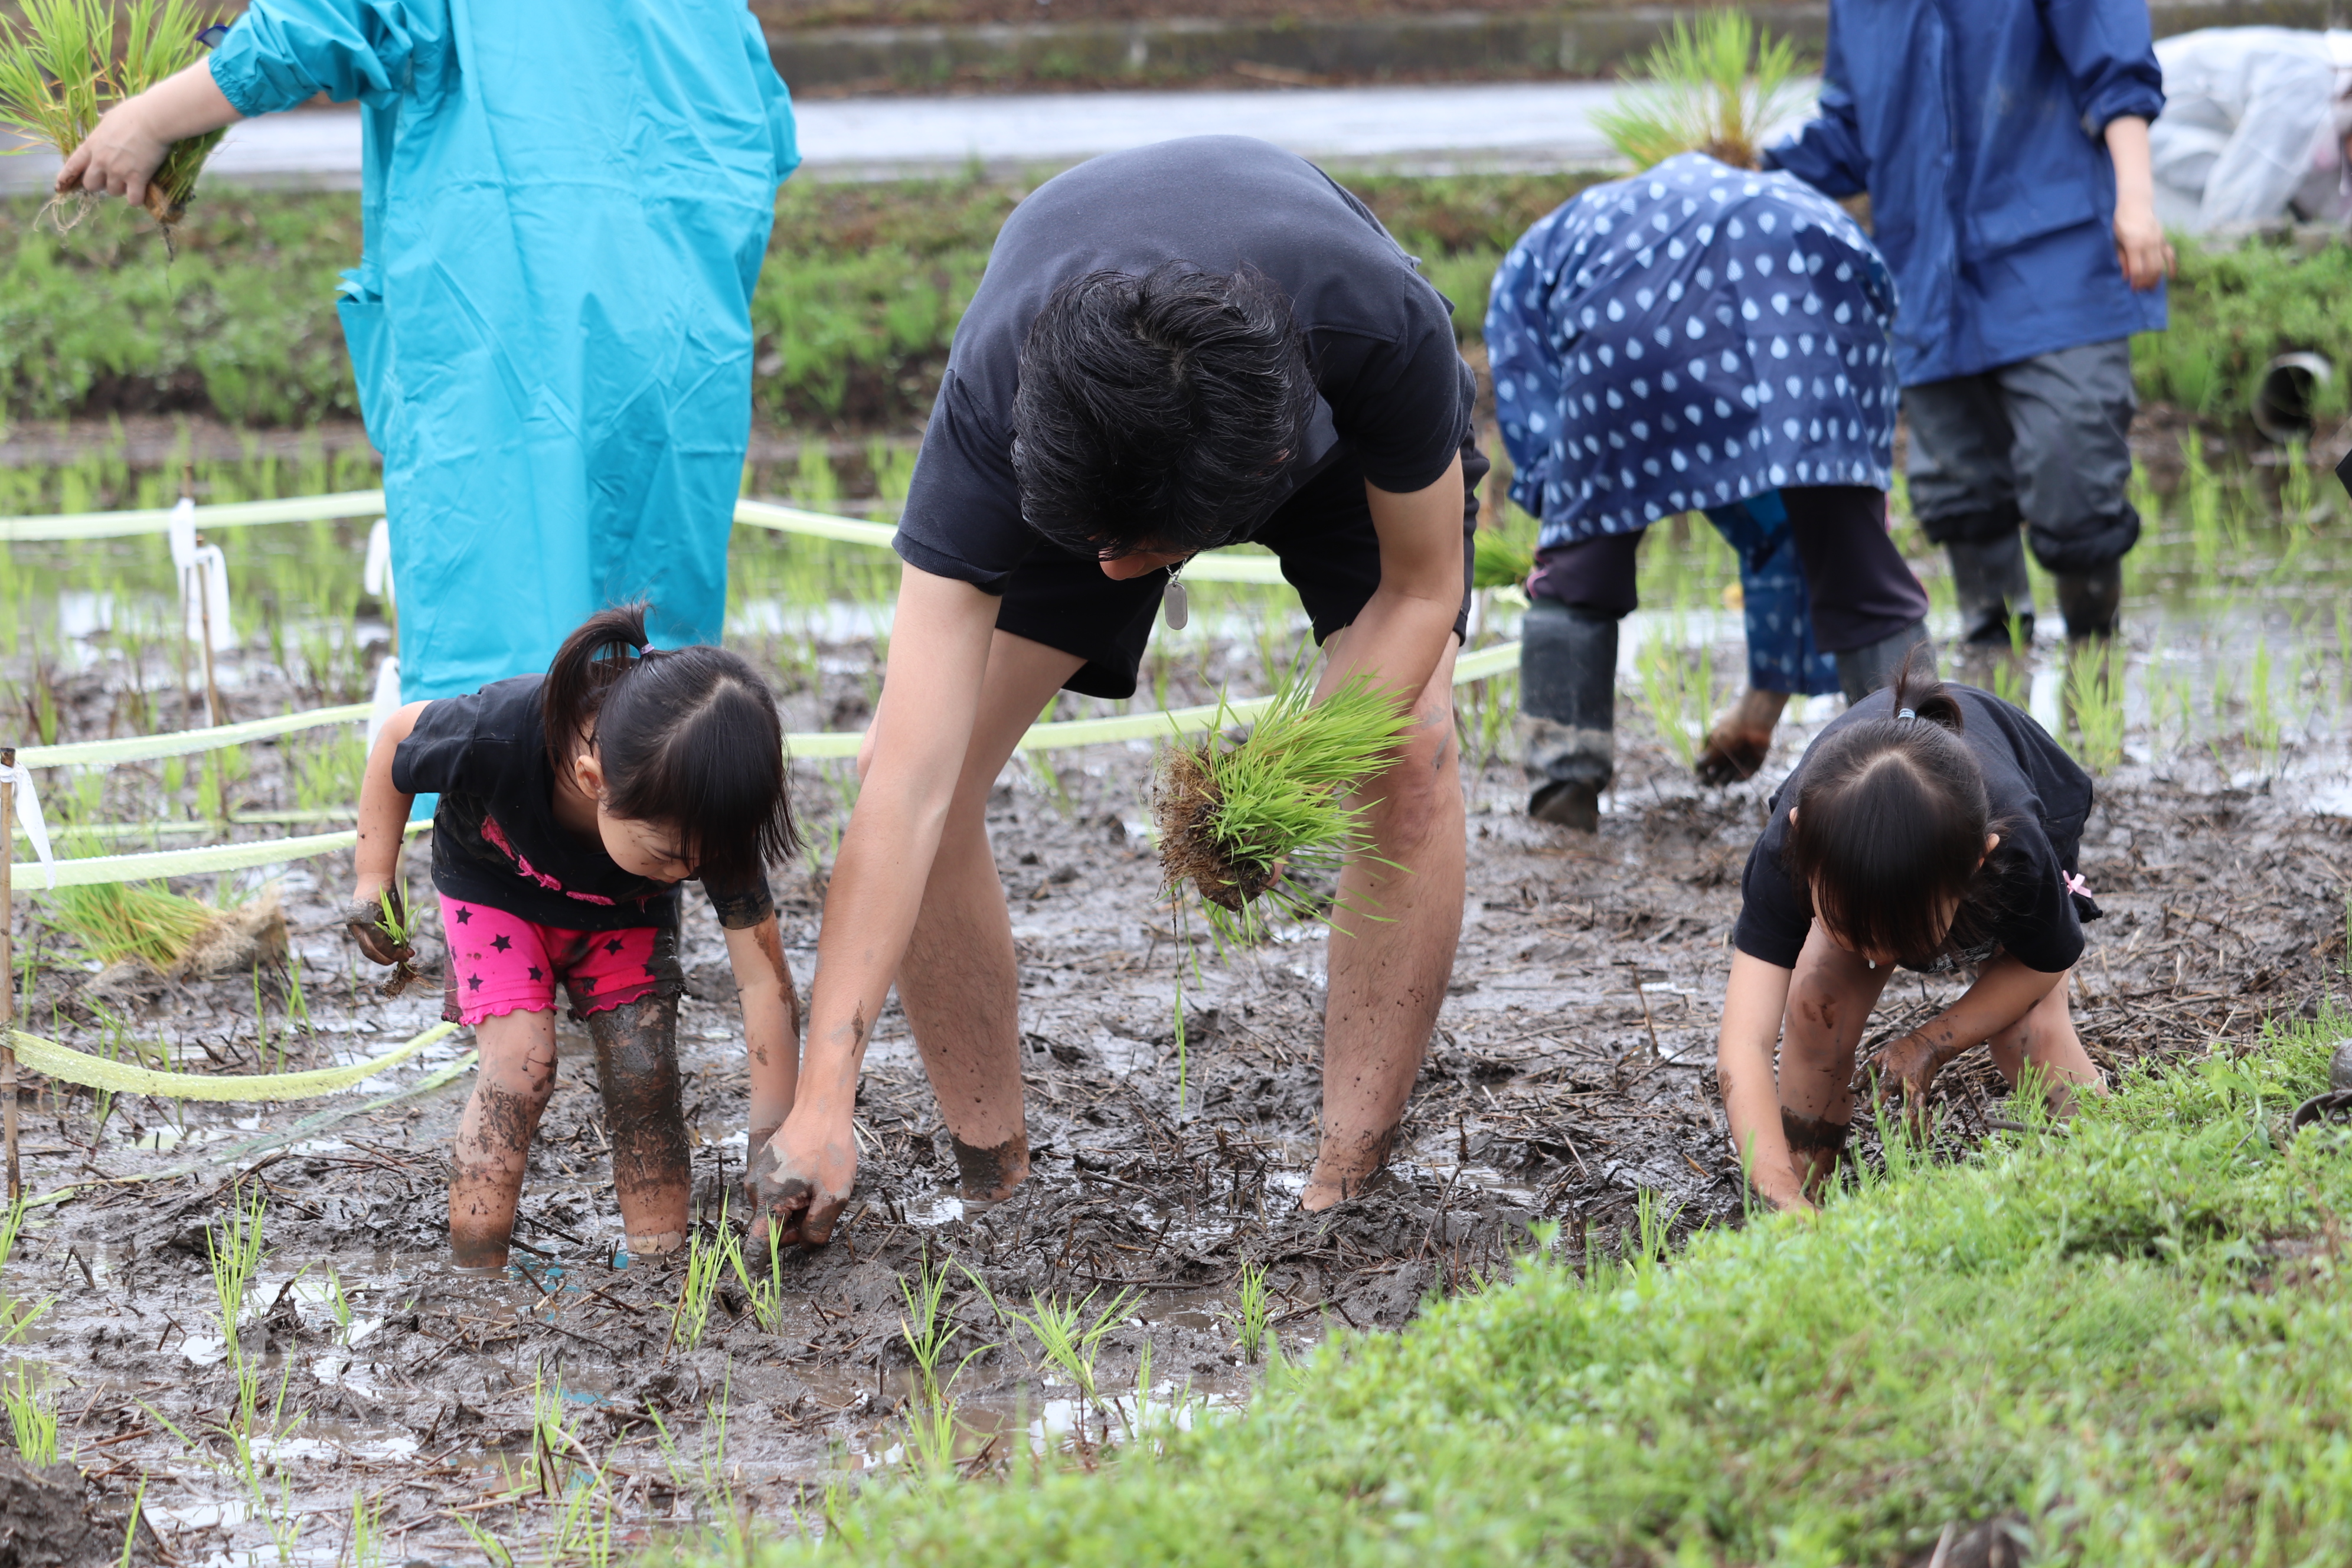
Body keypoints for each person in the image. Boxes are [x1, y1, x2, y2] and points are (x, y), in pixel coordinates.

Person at [750, 135, 1481, 1240]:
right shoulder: (1000, 398)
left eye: (1141, 554)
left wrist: (1284, 775)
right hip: (1093, 447)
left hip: (1318, 435)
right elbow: (901, 781)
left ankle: (1344, 1183)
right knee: (927, 785)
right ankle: (995, 1183)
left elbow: (1422, 589)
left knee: (1412, 751)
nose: (1113, 578)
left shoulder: (1376, 321)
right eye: (1100, 547)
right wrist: (820, 1100)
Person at [57, 0, 801, 700]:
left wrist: (152, 119)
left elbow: (324, 22)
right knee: (658, 677)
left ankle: (505, 833)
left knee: (504, 660)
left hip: (504, 314)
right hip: (681, 335)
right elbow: (762, 128)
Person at [1487, 151, 1933, 829]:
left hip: (1622, 330)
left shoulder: (1566, 233)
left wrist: (1558, 494)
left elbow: (1524, 370)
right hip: (1799, 312)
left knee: (1581, 564)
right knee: (1850, 548)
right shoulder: (1797, 207)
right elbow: (1876, 312)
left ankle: (1562, 789)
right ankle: (1923, 780)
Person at [348, 606, 801, 1270]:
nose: (689, 875)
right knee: (519, 1069)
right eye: (669, 855)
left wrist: (774, 1147)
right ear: (595, 782)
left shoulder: (706, 828)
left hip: (622, 915)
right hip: (493, 887)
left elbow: (764, 984)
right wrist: (372, 882)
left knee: (645, 1069)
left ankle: (659, 1264)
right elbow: (394, 742)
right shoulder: (500, 730)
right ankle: (477, 1267)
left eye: (698, 862)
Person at [1763, 0, 2171, 650]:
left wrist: (2138, 201)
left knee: (2075, 475)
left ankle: (2096, 654)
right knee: (1962, 494)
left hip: (2051, 256)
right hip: (1924, 273)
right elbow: (1849, 133)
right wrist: (1737, 169)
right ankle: (1995, 677)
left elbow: (2115, 64)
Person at [1714, 665, 2103, 1213]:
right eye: (1855, 929)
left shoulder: (2014, 849)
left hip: (2003, 814)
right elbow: (1744, 1044)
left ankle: (2115, 1170)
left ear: (1976, 864)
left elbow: (2043, 963)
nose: (1878, 957)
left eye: (1905, 933)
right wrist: (1775, 1186)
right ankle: (1803, 1204)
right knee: (1816, 1007)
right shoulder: (1793, 848)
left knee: (2028, 1030)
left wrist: (1931, 1043)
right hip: (1874, 847)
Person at [2149, 27, 2352, 234]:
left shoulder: (2335, 95)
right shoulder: (2304, 86)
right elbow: (2236, 218)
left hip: (2187, 153)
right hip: (2144, 146)